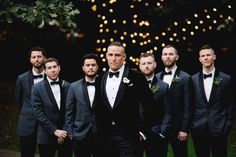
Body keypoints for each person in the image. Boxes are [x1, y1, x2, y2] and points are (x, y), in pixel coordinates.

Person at [95, 41, 154, 157]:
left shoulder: (137, 77)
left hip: (130, 136)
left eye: (117, 55)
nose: (113, 58)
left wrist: (142, 132)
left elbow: (149, 105)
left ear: (124, 57)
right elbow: (98, 108)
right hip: (105, 137)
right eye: (111, 55)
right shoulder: (100, 79)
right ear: (106, 56)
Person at [191, 44, 234, 157]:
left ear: (214, 57)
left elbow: (230, 104)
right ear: (200, 59)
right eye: (203, 56)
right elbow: (190, 104)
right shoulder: (193, 79)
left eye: (208, 55)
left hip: (219, 128)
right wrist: (192, 124)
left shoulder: (226, 79)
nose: (205, 58)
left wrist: (227, 124)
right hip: (199, 128)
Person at [156, 44, 193, 157]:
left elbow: (188, 105)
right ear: (162, 57)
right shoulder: (156, 77)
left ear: (176, 57)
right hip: (160, 127)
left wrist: (184, 129)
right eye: (165, 54)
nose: (168, 57)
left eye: (171, 54)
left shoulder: (185, 77)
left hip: (178, 128)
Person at [31, 57, 72, 157]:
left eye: (55, 67)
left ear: (59, 68)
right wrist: (54, 131)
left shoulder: (68, 86)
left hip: (65, 134)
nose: (53, 70)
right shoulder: (37, 88)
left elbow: (70, 111)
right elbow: (37, 112)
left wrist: (64, 132)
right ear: (45, 70)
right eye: (49, 68)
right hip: (46, 136)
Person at [64, 53, 101, 157]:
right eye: (88, 65)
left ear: (97, 67)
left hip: (101, 134)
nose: (90, 67)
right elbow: (69, 112)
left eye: (93, 65)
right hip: (79, 135)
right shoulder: (74, 86)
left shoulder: (104, 84)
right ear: (83, 68)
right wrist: (71, 133)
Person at [15, 46, 46, 157]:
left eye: (39, 56)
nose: (37, 59)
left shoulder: (51, 77)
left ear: (44, 58)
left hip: (47, 124)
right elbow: (19, 99)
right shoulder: (21, 78)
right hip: (27, 124)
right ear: (30, 60)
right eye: (34, 57)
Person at [139, 53, 172, 157]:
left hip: (156, 133)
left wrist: (162, 132)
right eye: (143, 63)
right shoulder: (132, 85)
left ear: (155, 64)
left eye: (149, 63)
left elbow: (168, 111)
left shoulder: (163, 86)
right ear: (140, 66)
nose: (147, 65)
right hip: (136, 134)